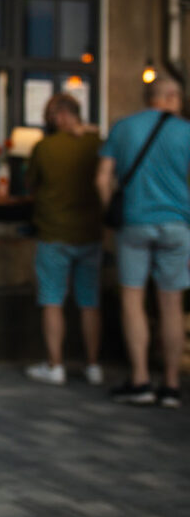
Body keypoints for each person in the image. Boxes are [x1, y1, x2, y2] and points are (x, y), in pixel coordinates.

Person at [97, 77, 190, 408]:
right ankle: (171, 384)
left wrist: (111, 215)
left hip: (134, 223)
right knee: (171, 304)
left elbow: (102, 176)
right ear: (170, 97)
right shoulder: (185, 131)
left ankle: (140, 380)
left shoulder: (124, 127)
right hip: (178, 225)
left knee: (133, 301)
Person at [23, 93, 105, 386]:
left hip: (53, 232)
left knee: (52, 301)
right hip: (90, 233)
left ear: (59, 115)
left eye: (49, 117)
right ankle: (93, 366)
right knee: (89, 302)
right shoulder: (97, 144)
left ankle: (55, 365)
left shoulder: (44, 147)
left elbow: (31, 183)